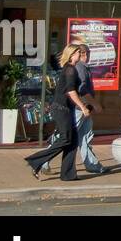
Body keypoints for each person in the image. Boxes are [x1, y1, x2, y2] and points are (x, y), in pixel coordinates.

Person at [39, 44, 105, 176]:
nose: (85, 56)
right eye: (82, 53)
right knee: (65, 137)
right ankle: (43, 161)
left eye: (87, 53)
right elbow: (79, 90)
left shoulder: (83, 67)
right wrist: (92, 104)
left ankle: (91, 164)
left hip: (84, 108)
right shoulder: (78, 68)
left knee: (85, 136)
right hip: (78, 108)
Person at [25, 45, 89, 181]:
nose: (81, 54)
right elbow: (70, 91)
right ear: (72, 55)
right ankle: (35, 161)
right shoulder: (70, 69)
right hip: (61, 109)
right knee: (65, 139)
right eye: (79, 52)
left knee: (72, 141)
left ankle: (68, 174)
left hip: (66, 109)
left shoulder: (71, 68)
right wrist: (83, 107)